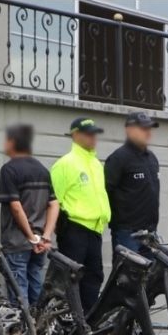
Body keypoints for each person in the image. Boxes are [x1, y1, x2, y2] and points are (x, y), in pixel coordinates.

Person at [50, 117, 111, 311]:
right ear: (75, 135)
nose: (93, 138)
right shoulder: (64, 164)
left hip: (95, 230)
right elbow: (53, 201)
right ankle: (72, 323)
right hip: (74, 230)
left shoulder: (96, 164)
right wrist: (49, 234)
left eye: (94, 134)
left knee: (94, 277)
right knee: (72, 279)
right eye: (88, 134)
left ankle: (89, 324)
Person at [0, 123, 58, 307]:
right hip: (40, 243)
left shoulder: (9, 170)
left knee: (18, 291)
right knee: (36, 287)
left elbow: (16, 207)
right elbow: (54, 204)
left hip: (18, 242)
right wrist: (45, 236)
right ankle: (40, 330)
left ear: (13, 142)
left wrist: (31, 238)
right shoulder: (42, 169)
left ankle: (23, 332)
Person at [104, 111, 161, 259]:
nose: (148, 133)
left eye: (149, 129)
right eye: (143, 129)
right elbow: (105, 192)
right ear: (129, 130)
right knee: (128, 279)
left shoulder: (152, 159)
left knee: (152, 278)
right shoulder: (119, 158)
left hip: (150, 234)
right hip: (127, 234)